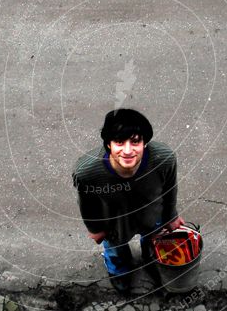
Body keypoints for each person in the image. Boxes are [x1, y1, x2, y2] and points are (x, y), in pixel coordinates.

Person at [72, 109, 184, 294]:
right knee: (116, 249)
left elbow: (170, 188)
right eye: (119, 142)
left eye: (135, 141)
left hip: (152, 214)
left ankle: (150, 260)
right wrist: (95, 228)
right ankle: (119, 270)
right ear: (108, 144)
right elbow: (87, 204)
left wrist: (171, 214)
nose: (127, 150)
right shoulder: (87, 172)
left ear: (144, 143)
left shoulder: (164, 159)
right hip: (115, 222)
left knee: (153, 241)